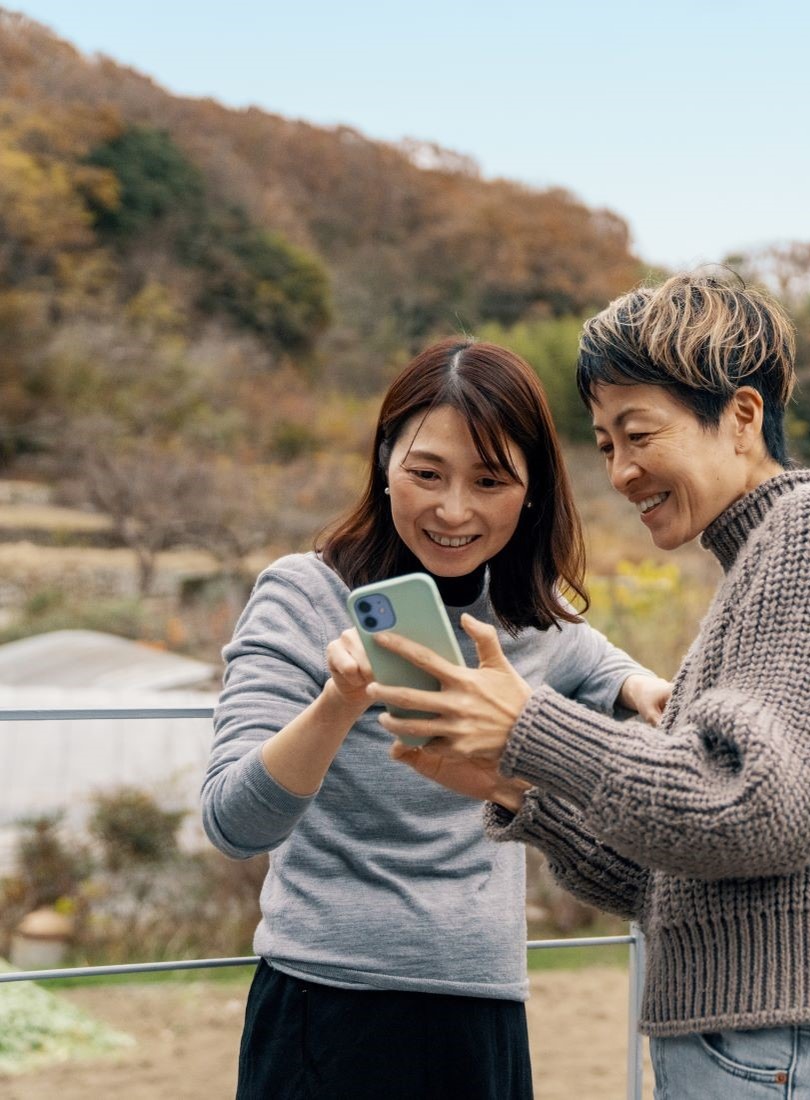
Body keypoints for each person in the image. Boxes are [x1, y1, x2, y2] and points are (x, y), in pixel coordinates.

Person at [378, 275, 810, 1099]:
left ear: (743, 417)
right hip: (753, 1041)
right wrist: (512, 781)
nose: (619, 470)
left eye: (638, 433)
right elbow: (669, 875)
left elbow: (755, 813)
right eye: (606, 443)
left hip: (778, 1046)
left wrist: (533, 729)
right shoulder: (759, 559)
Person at [201, 337, 671, 1100]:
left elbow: (591, 659)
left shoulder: (529, 619)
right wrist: (338, 703)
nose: (454, 511)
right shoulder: (300, 596)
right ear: (384, 465)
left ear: (532, 494)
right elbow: (233, 824)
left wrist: (640, 688)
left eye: (490, 481)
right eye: (426, 474)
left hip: (482, 1013)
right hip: (325, 1007)